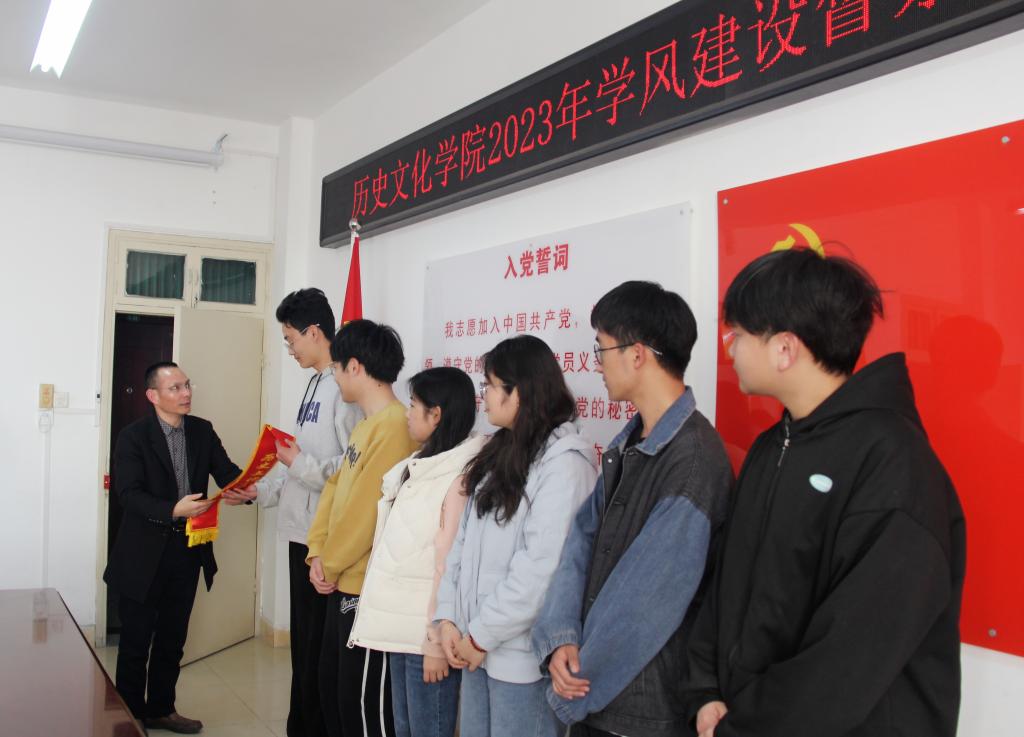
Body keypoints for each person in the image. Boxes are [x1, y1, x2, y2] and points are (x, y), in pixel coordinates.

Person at [686, 248, 966, 737]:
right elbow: (727, 581)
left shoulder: (893, 463)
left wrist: (744, 727)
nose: (729, 350)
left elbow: (851, 657)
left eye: (738, 335)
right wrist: (705, 689)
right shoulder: (771, 447)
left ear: (785, 349)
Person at [531, 281, 733, 737]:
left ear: (637, 354)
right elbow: (580, 542)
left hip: (641, 707)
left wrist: (582, 672)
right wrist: (561, 637)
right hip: (596, 692)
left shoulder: (695, 460)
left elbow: (646, 598)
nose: (596, 363)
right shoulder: (628, 444)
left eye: (601, 348)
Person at [434, 334, 598, 737]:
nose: (485, 396)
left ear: (519, 392)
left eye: (491, 385)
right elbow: (461, 545)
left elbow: (540, 571)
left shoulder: (565, 464)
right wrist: (449, 619)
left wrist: (480, 635)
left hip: (521, 660)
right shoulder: (497, 453)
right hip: (475, 649)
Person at [222, 288, 361, 737]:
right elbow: (297, 465)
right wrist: (257, 492)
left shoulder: (347, 390)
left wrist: (298, 463)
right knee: (304, 649)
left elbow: (353, 471)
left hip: (328, 541)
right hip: (300, 533)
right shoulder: (315, 384)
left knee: (321, 654)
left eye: (291, 339)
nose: (289, 348)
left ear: (314, 332)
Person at [104, 362, 243, 735]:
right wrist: (172, 509)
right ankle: (131, 716)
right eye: (175, 388)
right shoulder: (133, 437)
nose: (186, 393)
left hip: (187, 550)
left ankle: (162, 709)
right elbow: (128, 494)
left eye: (187, 385)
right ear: (153, 395)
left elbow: (227, 472)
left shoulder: (202, 430)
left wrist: (248, 486)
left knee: (172, 638)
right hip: (142, 554)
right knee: (135, 641)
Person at [349, 367, 486, 737]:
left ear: (436, 414)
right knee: (405, 728)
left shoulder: (458, 476)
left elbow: (448, 565)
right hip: (401, 629)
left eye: (413, 406)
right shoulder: (423, 465)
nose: (407, 414)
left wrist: (435, 643)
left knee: (428, 729)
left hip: (427, 638)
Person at [306, 319, 419, 737]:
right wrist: (317, 551)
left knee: (361, 705)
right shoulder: (365, 425)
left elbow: (367, 512)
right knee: (332, 688)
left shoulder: (395, 426)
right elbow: (335, 490)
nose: (334, 378)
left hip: (365, 587)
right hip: (342, 578)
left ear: (354, 366)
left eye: (336, 369)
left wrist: (330, 562)